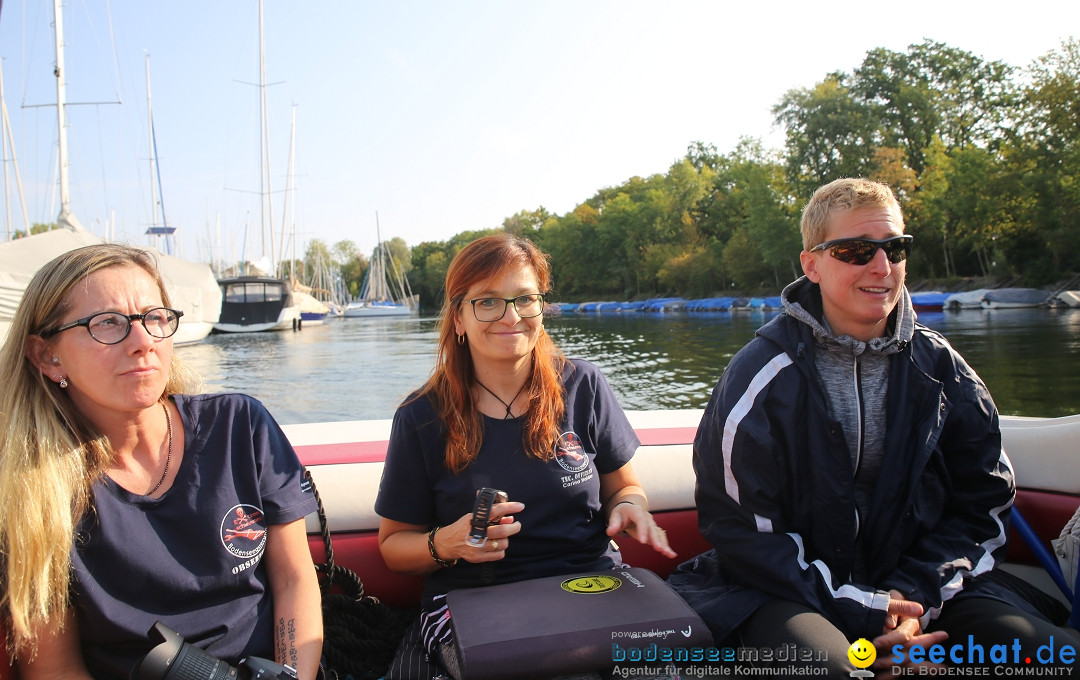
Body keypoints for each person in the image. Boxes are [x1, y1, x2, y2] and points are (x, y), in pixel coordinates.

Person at [668, 178, 1080, 676]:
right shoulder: (760, 378)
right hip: (788, 591)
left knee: (1054, 659)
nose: (881, 267)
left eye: (895, 248)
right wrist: (864, 608)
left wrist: (913, 600)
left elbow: (982, 505)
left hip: (923, 586)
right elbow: (742, 530)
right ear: (812, 265)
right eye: (856, 250)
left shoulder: (943, 371)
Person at [0, 244, 322, 679]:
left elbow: (293, 578)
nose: (143, 342)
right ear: (47, 356)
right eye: (107, 323)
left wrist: (292, 676)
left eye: (154, 318)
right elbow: (55, 668)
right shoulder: (30, 492)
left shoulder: (239, 427)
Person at [374, 233, 677, 679]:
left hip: (591, 584)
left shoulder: (583, 386)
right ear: (458, 318)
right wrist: (447, 544)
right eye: (488, 302)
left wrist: (631, 508)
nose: (510, 316)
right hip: (475, 599)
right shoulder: (421, 417)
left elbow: (625, 488)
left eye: (524, 299)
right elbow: (393, 546)